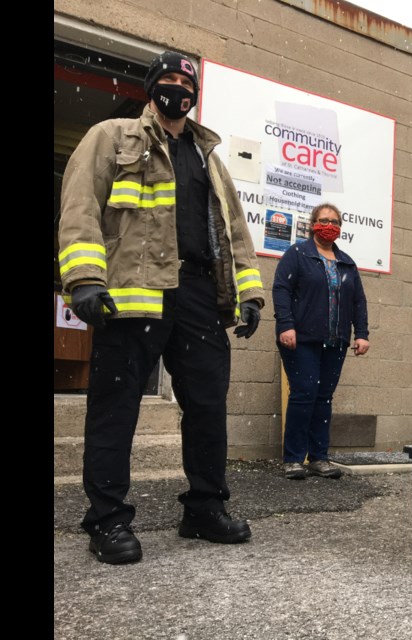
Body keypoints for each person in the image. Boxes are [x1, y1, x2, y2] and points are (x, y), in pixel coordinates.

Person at [58, 51, 265, 564]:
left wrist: (251, 292)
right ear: (152, 87)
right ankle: (107, 520)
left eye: (185, 81)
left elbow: (234, 232)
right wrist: (83, 278)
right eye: (168, 79)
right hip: (134, 294)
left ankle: (204, 508)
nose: (177, 88)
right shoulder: (111, 136)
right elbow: (80, 205)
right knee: (115, 409)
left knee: (207, 407)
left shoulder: (208, 158)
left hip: (198, 296)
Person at [273, 203, 370, 480]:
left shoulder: (347, 262)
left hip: (335, 340)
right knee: (304, 393)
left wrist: (361, 333)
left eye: (335, 221)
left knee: (323, 398)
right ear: (313, 223)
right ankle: (293, 459)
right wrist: (286, 326)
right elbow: (281, 288)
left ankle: (319, 457)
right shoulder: (297, 254)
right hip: (302, 339)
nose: (329, 225)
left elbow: (358, 301)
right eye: (324, 220)